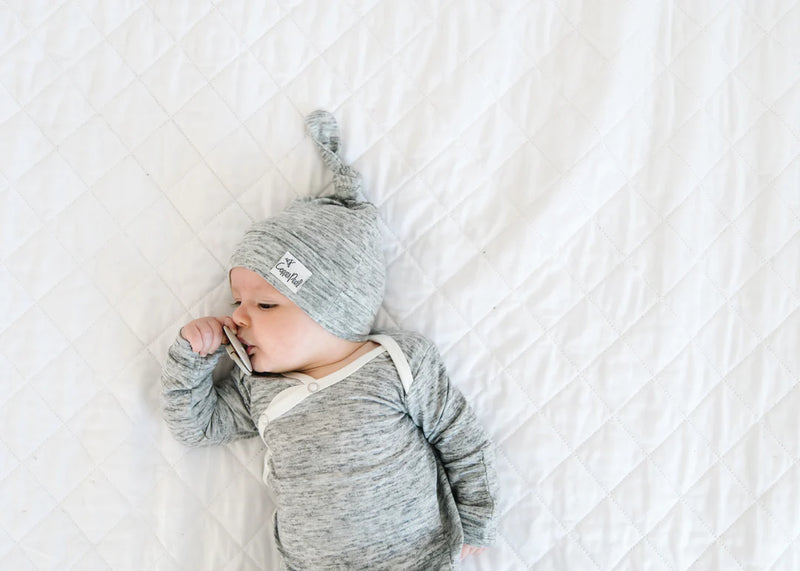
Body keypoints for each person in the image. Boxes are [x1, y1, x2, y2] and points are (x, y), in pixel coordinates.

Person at [161, 110, 498, 569]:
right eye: (237, 301)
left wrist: (476, 516)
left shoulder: (399, 363)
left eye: (265, 305)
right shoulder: (258, 387)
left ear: (333, 308)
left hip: (416, 557)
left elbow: (460, 438)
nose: (237, 316)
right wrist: (193, 359)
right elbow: (197, 427)